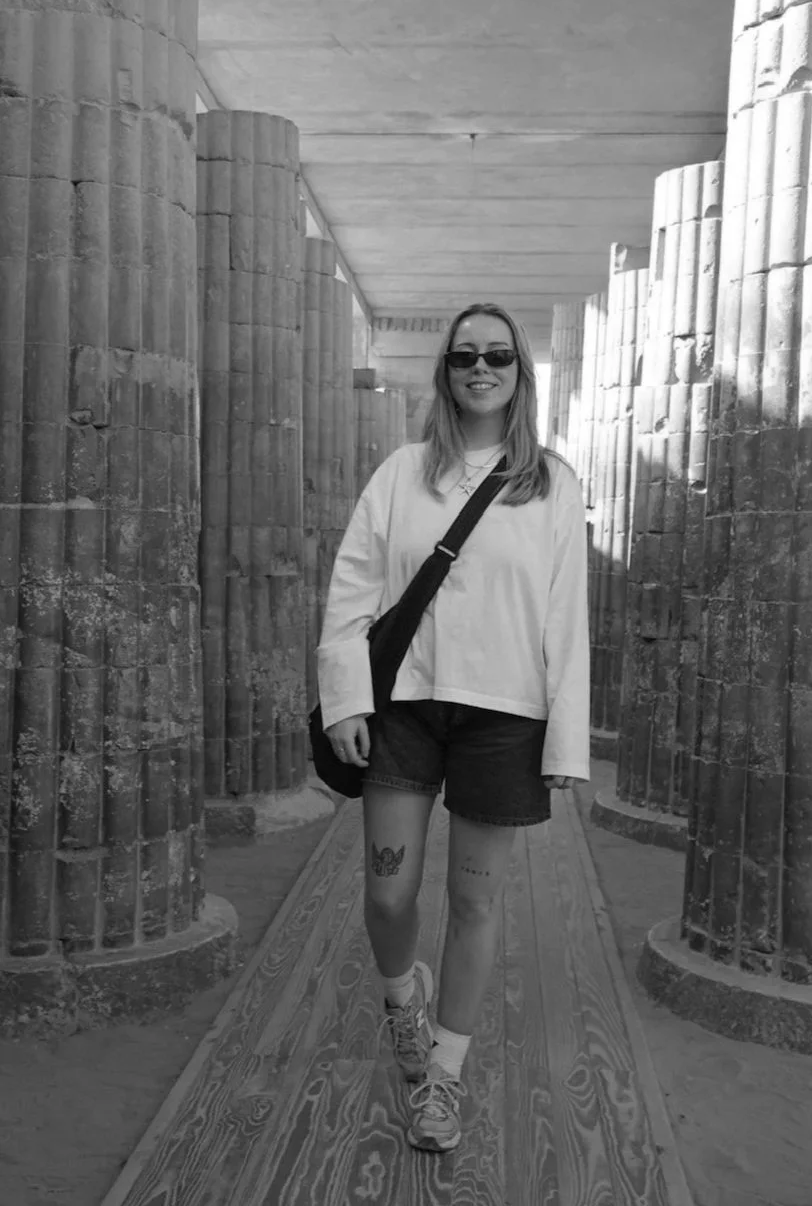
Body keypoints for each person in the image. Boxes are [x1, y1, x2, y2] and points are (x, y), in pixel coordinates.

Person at [317, 302, 589, 1153]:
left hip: (505, 718)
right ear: (446, 372)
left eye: (498, 356)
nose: (481, 368)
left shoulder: (551, 482)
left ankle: (443, 1075)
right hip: (403, 706)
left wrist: (566, 742)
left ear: (520, 372)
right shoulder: (401, 473)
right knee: (389, 889)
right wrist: (346, 700)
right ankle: (404, 1002)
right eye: (465, 355)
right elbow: (354, 588)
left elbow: (565, 617)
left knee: (474, 900)